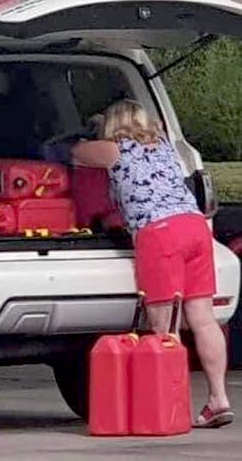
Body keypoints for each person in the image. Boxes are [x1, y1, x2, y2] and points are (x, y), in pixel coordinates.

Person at [67, 99, 233, 428]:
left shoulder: (114, 150)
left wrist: (91, 129)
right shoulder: (167, 149)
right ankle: (218, 399)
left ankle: (170, 407)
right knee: (202, 318)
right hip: (195, 227)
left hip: (160, 233)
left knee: (163, 328)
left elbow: (73, 153)